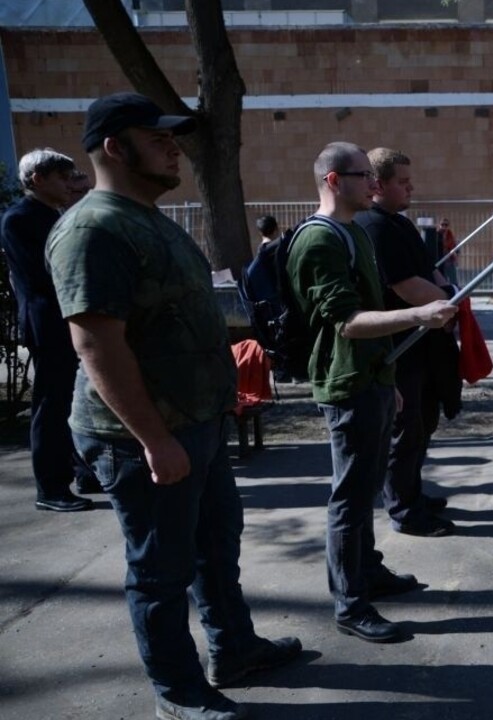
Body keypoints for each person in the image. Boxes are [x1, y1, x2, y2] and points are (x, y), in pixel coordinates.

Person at [45, 92, 300, 720]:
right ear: (114, 147)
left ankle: (234, 649)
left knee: (217, 546)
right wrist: (155, 440)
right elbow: (96, 344)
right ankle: (179, 693)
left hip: (199, 421)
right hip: (142, 436)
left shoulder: (149, 218)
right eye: (156, 137)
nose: (171, 146)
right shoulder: (92, 227)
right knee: (160, 571)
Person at [287, 141, 456, 644]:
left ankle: (370, 573)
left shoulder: (353, 232)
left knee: (362, 495)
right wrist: (419, 315)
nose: (374, 184)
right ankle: (350, 603)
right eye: (364, 176)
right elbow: (346, 322)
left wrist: (388, 378)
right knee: (351, 497)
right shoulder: (319, 240)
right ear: (336, 181)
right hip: (347, 383)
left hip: (374, 378)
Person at [355, 148, 456, 538]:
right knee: (405, 431)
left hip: (422, 346)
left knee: (422, 424)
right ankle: (404, 509)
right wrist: (448, 301)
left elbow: (426, 268)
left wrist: (445, 290)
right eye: (402, 181)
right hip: (398, 347)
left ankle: (412, 492)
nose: (411, 187)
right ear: (378, 185)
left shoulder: (399, 223)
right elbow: (404, 284)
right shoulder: (374, 226)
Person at [0, 148, 100, 511]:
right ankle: (51, 487)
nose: (67, 184)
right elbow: (47, 276)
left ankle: (82, 470)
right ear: (37, 180)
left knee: (74, 401)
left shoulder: (50, 215)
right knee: (52, 405)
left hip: (65, 319)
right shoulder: (21, 219)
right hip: (49, 323)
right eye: (60, 177)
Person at [438, 217, 460, 286]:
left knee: (453, 280)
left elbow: (455, 248)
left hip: (449, 261)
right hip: (440, 261)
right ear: (439, 225)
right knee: (441, 281)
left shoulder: (450, 235)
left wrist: (456, 258)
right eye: (442, 225)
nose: (444, 227)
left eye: (446, 225)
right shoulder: (436, 235)